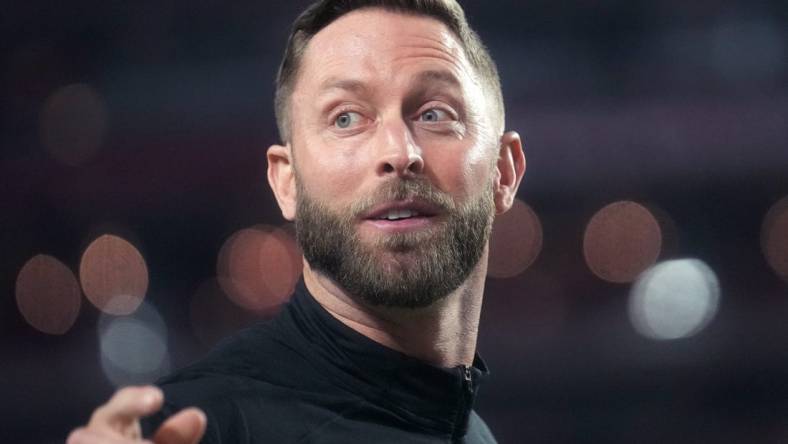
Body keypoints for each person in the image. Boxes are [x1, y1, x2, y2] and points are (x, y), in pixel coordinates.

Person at [66, 0, 525, 442]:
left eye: (435, 114)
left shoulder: (469, 430)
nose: (398, 153)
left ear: (504, 171)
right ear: (287, 183)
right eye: (346, 118)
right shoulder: (198, 427)